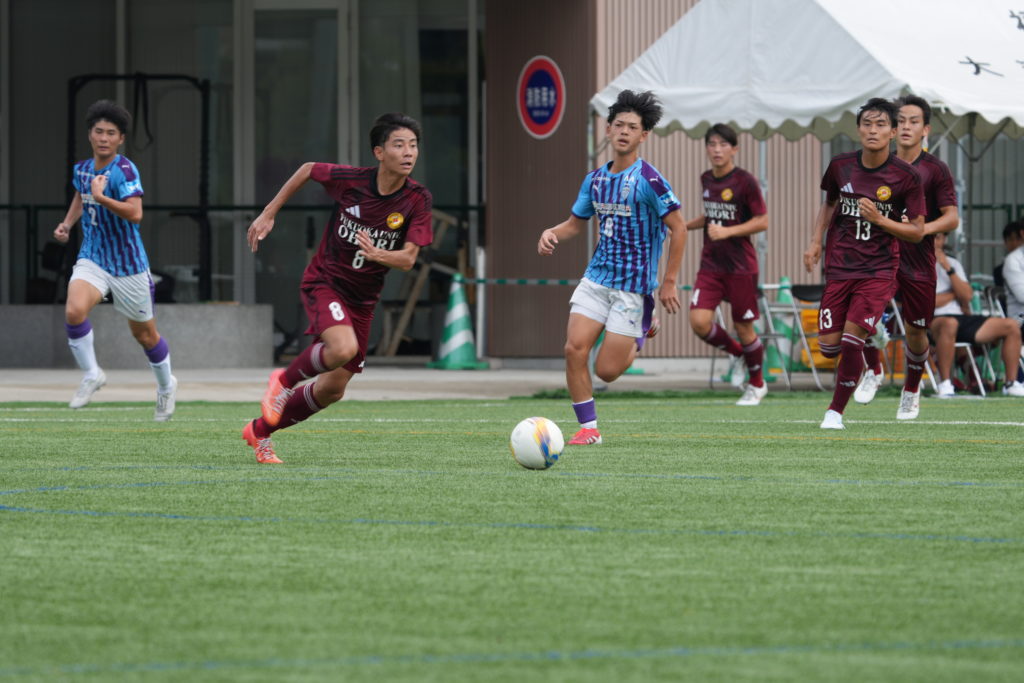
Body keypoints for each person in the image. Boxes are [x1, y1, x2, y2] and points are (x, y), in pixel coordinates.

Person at [244, 113, 433, 463]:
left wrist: (378, 254)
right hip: (325, 282)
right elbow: (307, 169)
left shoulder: (417, 199)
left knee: (332, 389)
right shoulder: (353, 180)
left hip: (363, 300)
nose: (409, 152)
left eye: (413, 145)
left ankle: (260, 431)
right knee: (342, 347)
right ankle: (282, 381)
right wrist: (269, 212)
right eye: (399, 145)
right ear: (379, 152)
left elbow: (408, 259)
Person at [537, 90, 686, 445]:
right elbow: (574, 225)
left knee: (607, 371)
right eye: (619, 125)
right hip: (597, 278)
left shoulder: (650, 180)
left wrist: (669, 282)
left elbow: (679, 228)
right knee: (574, 349)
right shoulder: (595, 180)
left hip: (633, 288)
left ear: (643, 136)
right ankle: (589, 429)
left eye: (632, 127)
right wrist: (550, 232)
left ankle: (641, 330)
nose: (624, 132)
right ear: (608, 129)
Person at [803, 98, 925, 430]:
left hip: (879, 270)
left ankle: (834, 413)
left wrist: (881, 220)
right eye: (867, 124)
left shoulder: (906, 176)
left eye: (881, 124)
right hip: (840, 266)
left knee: (850, 340)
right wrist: (815, 242)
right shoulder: (840, 166)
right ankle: (875, 334)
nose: (873, 130)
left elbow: (917, 231)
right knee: (829, 347)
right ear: (858, 129)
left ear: (893, 132)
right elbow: (829, 203)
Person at [53, 100, 176, 421]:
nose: (103, 138)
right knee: (74, 310)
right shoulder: (82, 169)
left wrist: (103, 197)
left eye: (111, 133)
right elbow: (81, 195)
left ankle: (166, 386)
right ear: (89, 134)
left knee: (145, 336)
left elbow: (135, 214)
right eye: (98, 131)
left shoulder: (125, 171)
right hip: (93, 257)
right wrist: (67, 224)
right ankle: (92, 374)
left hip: (129, 266)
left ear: (121, 138)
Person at [853, 95, 958, 419]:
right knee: (861, 316)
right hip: (877, 257)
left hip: (918, 261)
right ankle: (874, 368)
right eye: (901, 121)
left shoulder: (935, 169)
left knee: (916, 331)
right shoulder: (875, 164)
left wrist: (921, 229)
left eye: (914, 121)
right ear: (893, 128)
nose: (907, 127)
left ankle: (912, 390)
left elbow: (952, 218)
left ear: (925, 129)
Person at [685, 123, 769, 406]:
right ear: (706, 148)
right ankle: (739, 354)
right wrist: (681, 226)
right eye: (712, 144)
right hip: (710, 265)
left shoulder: (745, 181)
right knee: (699, 322)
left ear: (735, 149)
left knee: (744, 328)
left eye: (723, 145)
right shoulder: (706, 178)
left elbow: (762, 221)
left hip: (741, 267)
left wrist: (728, 232)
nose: (717, 150)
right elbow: (710, 217)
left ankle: (757, 385)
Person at [930, 231, 1024, 397]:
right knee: (949, 323)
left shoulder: (953, 263)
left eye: (938, 237)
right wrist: (954, 294)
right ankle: (945, 384)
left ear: (944, 239)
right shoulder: (915, 264)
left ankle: (1011, 383)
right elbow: (927, 302)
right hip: (932, 320)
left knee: (1010, 325)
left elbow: (967, 295)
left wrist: (947, 268)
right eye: (930, 237)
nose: (934, 242)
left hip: (961, 318)